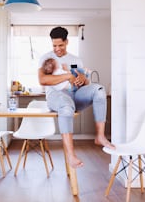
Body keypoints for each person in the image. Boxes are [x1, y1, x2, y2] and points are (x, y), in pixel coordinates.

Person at [38, 26, 115, 168]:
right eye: (54, 45)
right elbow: (43, 80)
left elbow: (85, 83)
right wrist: (68, 76)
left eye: (60, 45)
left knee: (99, 89)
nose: (57, 49)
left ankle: (100, 136)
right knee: (66, 107)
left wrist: (82, 79)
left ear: (67, 42)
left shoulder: (76, 59)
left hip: (76, 95)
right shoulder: (46, 58)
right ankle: (71, 155)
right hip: (57, 97)